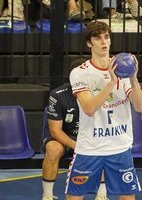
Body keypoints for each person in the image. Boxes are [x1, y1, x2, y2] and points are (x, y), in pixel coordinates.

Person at [66, 21, 142, 200]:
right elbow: (89, 108)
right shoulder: (80, 73)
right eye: (97, 38)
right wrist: (111, 82)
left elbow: (140, 107)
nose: (103, 41)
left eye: (106, 37)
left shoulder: (124, 70)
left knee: (127, 196)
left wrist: (133, 78)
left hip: (119, 146)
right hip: (90, 148)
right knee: (74, 197)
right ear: (89, 43)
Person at [41, 58, 108, 200]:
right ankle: (47, 195)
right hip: (65, 137)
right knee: (53, 149)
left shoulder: (101, 92)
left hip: (92, 136)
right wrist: (77, 146)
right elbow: (55, 131)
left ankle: (102, 195)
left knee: (105, 147)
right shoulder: (57, 95)